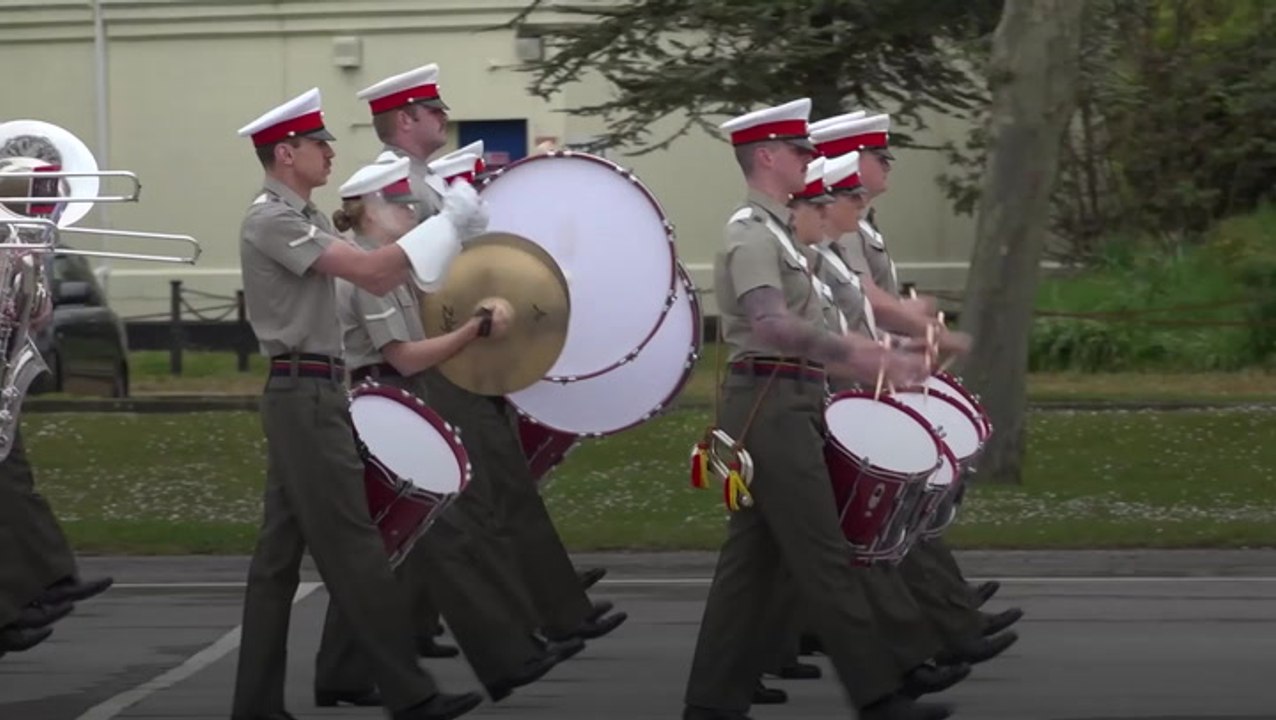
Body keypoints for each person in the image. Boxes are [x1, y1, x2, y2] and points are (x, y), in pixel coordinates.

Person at [682, 97, 950, 720]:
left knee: (751, 561)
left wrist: (868, 356)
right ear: (768, 157)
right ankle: (879, 693)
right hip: (771, 399)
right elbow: (770, 323)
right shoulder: (749, 233)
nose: (812, 160)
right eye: (801, 151)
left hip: (787, 397)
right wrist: (860, 356)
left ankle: (712, 703)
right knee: (824, 553)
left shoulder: (780, 233)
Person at [228, 86, 485, 720]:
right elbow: (372, 273)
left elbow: (395, 272)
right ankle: (409, 692)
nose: (331, 152)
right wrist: (447, 223)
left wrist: (443, 234)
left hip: (313, 389)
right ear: (286, 152)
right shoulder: (273, 218)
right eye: (319, 144)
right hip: (304, 391)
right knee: (356, 547)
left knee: (278, 561)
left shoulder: (306, 217)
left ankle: (255, 705)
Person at [355, 63, 626, 649]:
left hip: (460, 352)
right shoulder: (389, 184)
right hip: (435, 359)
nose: (443, 118)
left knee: (489, 491)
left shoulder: (423, 184)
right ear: (405, 120)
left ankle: (538, 614)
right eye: (432, 111)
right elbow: (409, 276)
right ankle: (535, 621)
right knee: (476, 498)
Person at [314, 154, 583, 707]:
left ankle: (342, 671)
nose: (411, 210)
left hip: (398, 399)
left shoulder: (390, 265)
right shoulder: (369, 274)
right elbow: (407, 356)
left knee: (394, 546)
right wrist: (474, 331)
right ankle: (509, 659)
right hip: (385, 399)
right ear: (367, 210)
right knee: (445, 532)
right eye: (399, 202)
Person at [807, 111, 1022, 665]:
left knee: (861, 524)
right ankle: (936, 632)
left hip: (868, 376)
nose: (886, 167)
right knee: (883, 517)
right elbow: (861, 304)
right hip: (844, 385)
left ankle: (939, 620)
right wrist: (915, 328)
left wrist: (909, 337)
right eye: (879, 157)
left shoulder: (853, 231)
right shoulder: (821, 240)